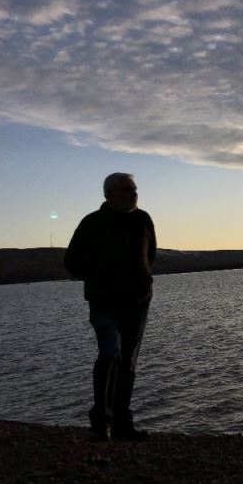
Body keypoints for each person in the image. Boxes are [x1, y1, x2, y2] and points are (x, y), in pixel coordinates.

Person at [64, 173, 157, 441]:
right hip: (104, 303)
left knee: (127, 363)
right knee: (109, 354)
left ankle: (122, 424)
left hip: (138, 304)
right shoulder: (92, 223)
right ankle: (100, 423)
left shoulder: (143, 219)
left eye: (135, 189)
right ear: (110, 195)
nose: (134, 194)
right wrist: (100, 278)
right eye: (128, 190)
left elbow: (150, 254)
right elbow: (72, 262)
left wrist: (144, 283)